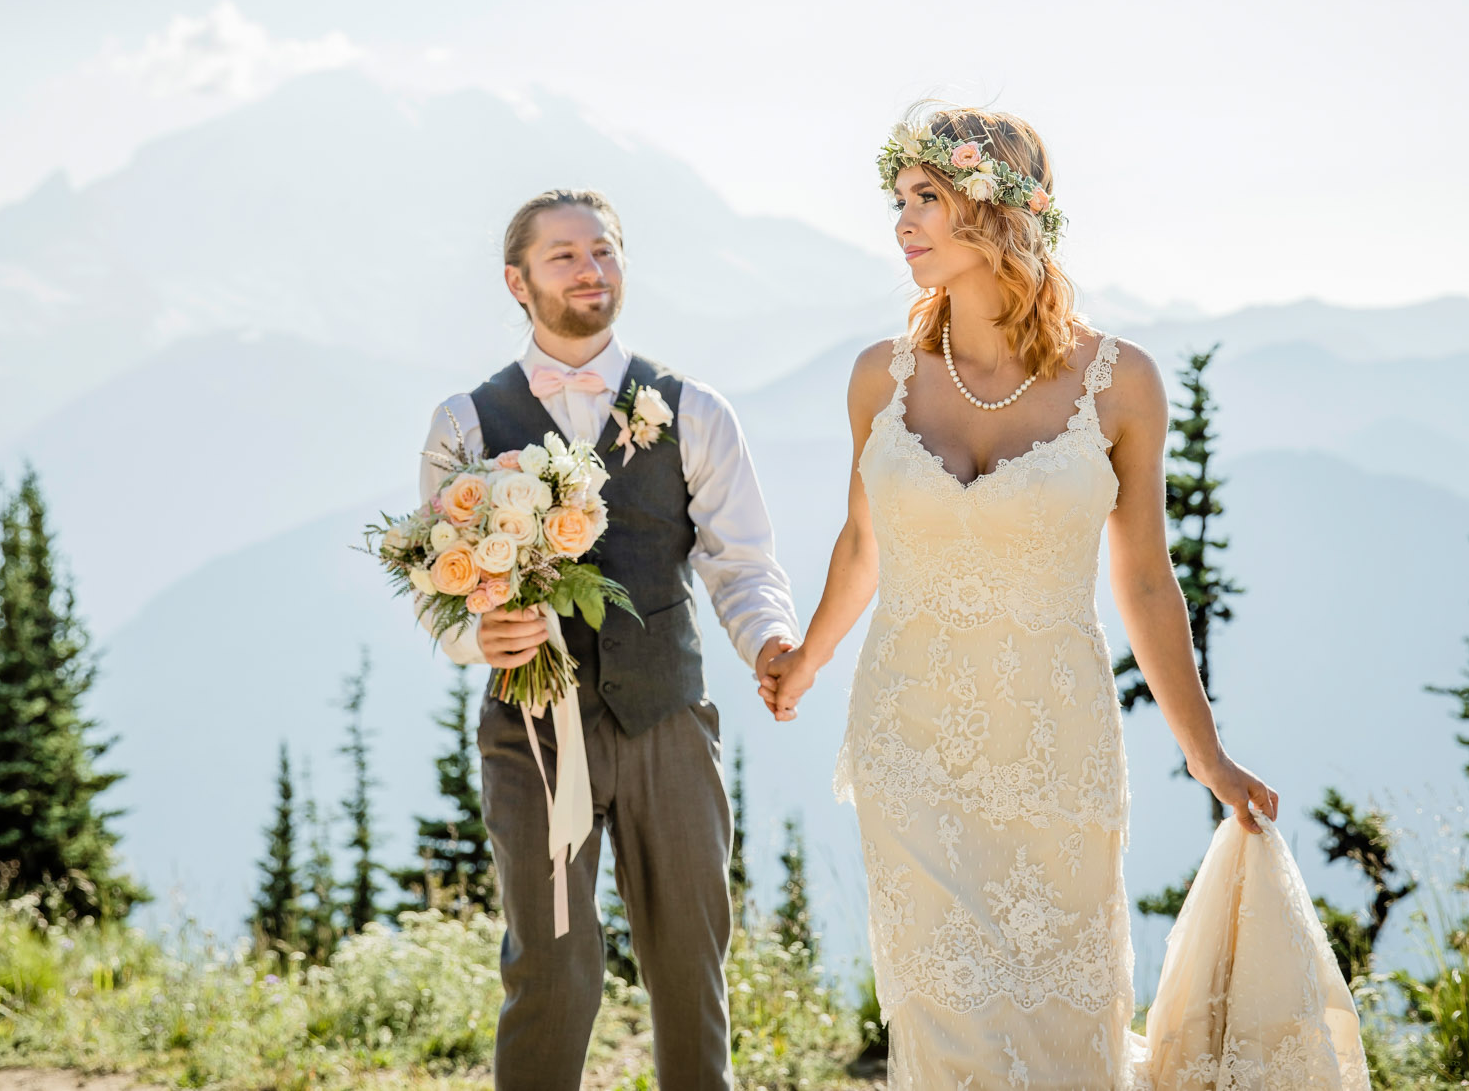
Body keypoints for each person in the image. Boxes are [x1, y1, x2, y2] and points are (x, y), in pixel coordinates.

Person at [760, 107, 1367, 1089]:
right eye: (898, 201)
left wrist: (1203, 751)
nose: (902, 224)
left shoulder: (1119, 384)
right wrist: (804, 660)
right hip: (907, 745)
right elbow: (863, 540)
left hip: (1054, 750)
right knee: (948, 1024)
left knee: (1061, 1032)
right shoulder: (880, 377)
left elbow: (1141, 577)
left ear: (1000, 211)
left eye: (928, 199)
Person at [418, 188, 799, 1091]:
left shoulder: (693, 408)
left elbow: (742, 563)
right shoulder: (464, 423)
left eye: (605, 251)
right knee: (550, 965)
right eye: (566, 255)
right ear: (517, 281)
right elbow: (437, 599)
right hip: (532, 730)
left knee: (688, 959)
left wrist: (771, 642)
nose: (592, 269)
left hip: (668, 717)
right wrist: (482, 635)